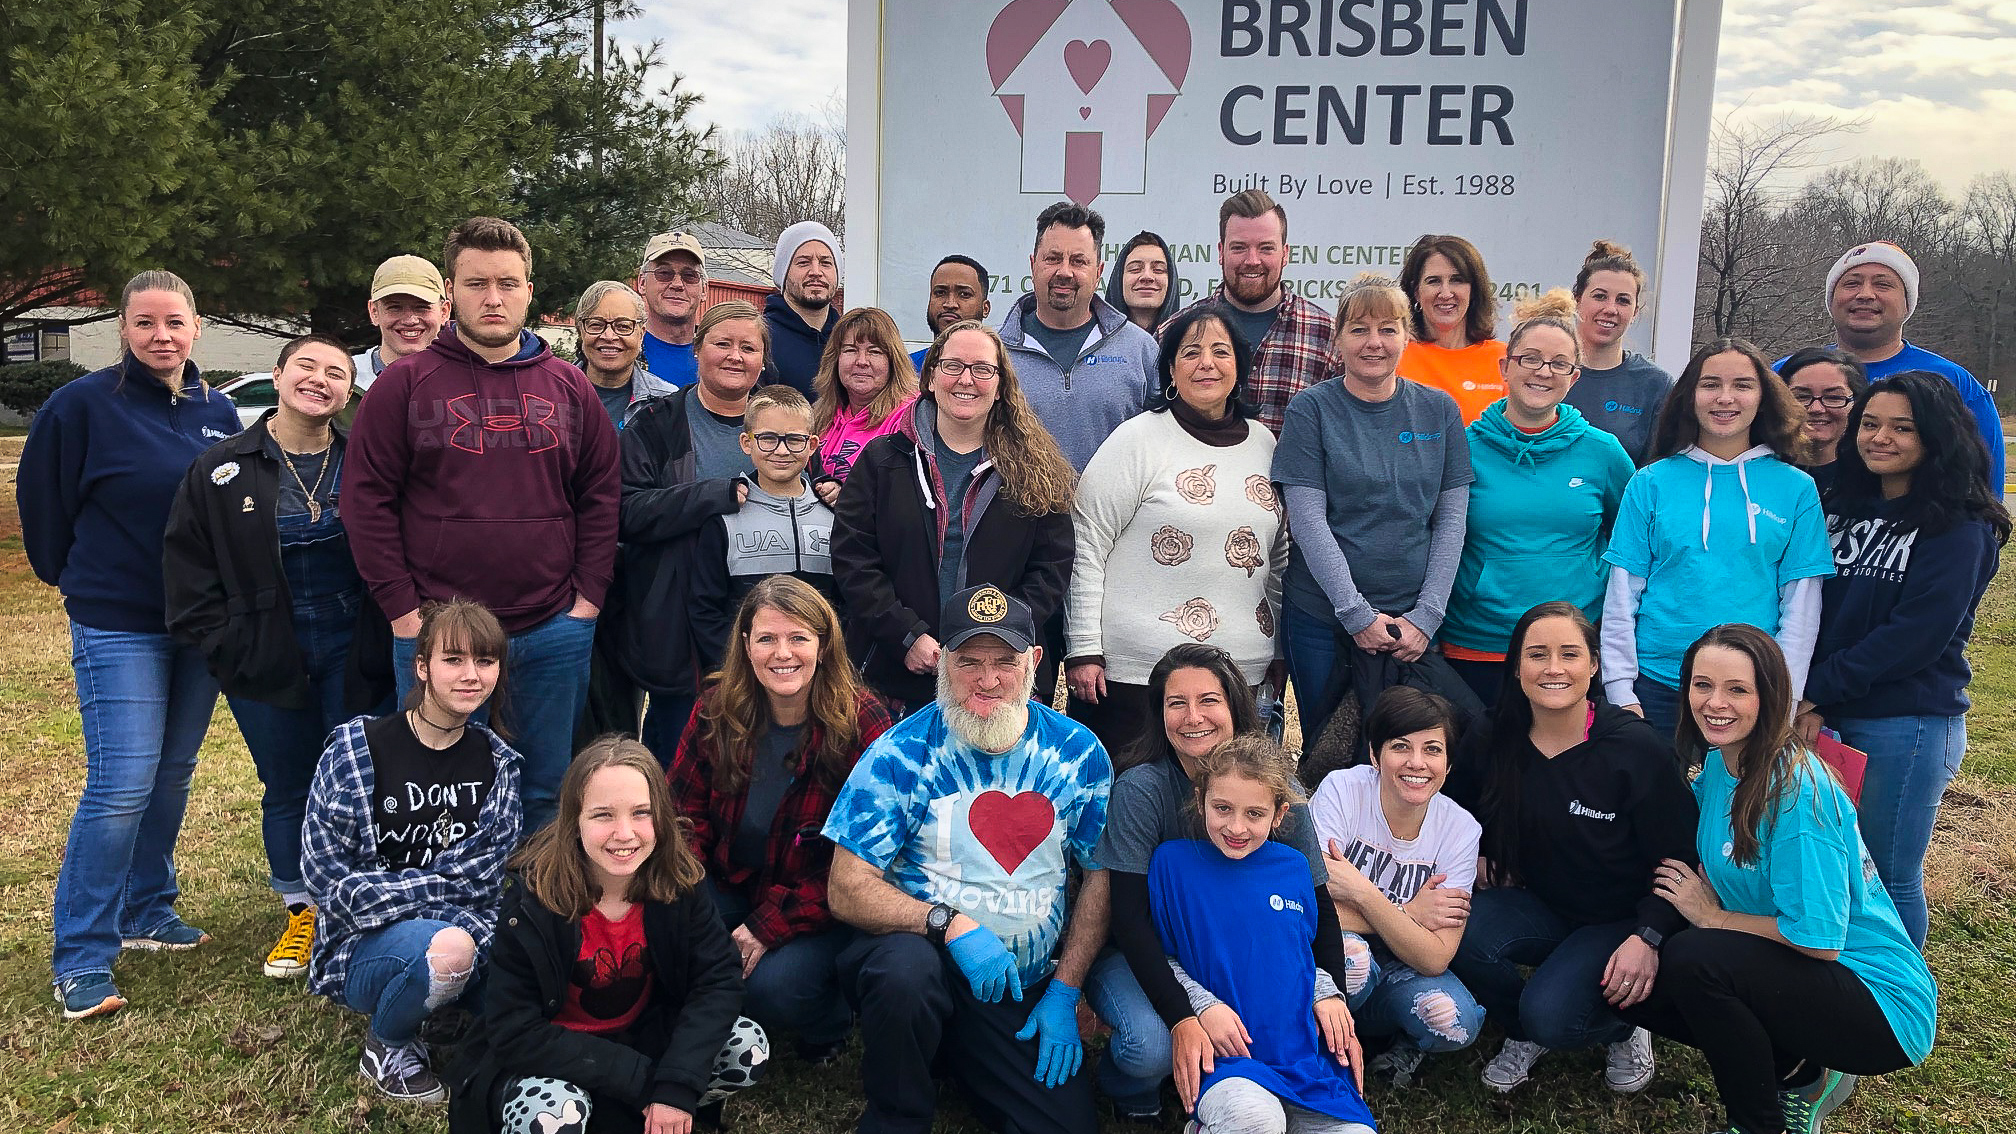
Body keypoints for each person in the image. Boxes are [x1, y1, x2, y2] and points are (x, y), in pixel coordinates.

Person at [343, 215, 620, 833]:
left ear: (529, 290)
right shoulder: (404, 386)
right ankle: (444, 922)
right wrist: (403, 614)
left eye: (507, 283)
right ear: (451, 292)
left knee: (546, 791)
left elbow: (601, 497)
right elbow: (366, 503)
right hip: (438, 634)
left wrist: (587, 602)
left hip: (552, 628)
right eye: (475, 284)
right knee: (432, 792)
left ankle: (532, 920)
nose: (492, 299)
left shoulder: (570, 388)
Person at [19, 270, 240, 1019]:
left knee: (172, 773)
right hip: (118, 619)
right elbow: (42, 504)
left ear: (197, 326)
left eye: (173, 322)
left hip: (197, 625)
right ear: (122, 327)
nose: (160, 336)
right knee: (121, 781)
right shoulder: (80, 407)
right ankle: (82, 954)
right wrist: (77, 579)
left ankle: (148, 908)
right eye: (144, 323)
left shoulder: (219, 411)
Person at [1619, 625, 1937, 1134]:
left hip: (1878, 1004)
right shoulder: (1723, 764)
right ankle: (1799, 1069)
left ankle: (1758, 1123)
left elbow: (1818, 942)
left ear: (1771, 697)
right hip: (1794, 968)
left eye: (1737, 689)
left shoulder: (1797, 796)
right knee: (1636, 979)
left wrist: (1713, 918)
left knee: (1695, 961)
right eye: (1702, 685)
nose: (1714, 703)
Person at [822, 586, 1113, 1134]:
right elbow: (847, 886)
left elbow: (1100, 876)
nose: (987, 680)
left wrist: (1066, 989)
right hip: (925, 963)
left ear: (1034, 661)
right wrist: (946, 923)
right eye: (968, 662)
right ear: (941, 663)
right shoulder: (900, 752)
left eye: (1005, 662)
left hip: (1017, 985)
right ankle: (898, 1114)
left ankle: (959, 1056)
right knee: (903, 975)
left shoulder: (1079, 754)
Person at [163, 334, 364, 981]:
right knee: (288, 785)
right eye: (306, 366)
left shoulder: (362, 460)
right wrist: (227, 649)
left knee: (356, 781)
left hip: (350, 643)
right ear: (277, 376)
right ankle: (302, 913)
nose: (320, 380)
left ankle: (356, 909)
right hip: (262, 650)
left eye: (335, 372)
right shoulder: (222, 467)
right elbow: (188, 571)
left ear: (346, 391)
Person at [449, 738, 771, 1134]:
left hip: (640, 1037)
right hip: (551, 1061)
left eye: (641, 813)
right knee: (552, 1116)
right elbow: (513, 1031)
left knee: (746, 1046)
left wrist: (675, 1084)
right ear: (573, 821)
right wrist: (639, 1078)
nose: (625, 833)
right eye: (603, 815)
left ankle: (666, 1119)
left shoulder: (680, 883)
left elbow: (718, 980)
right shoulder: (533, 903)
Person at [1443, 602, 1696, 1096]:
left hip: (1618, 918)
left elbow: (1680, 859)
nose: (1553, 668)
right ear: (1516, 667)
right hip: (1542, 904)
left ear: (1594, 665)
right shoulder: (1494, 734)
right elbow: (1460, 811)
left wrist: (1648, 936)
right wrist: (1477, 849)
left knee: (1553, 1016)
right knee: (1456, 928)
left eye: (1569, 654)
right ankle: (1522, 1027)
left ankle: (1626, 1020)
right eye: (1537, 655)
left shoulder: (1636, 750)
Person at [1092, 645, 1350, 1128]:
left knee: (1339, 980)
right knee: (1151, 1044)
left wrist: (1329, 993)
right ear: (1159, 713)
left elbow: (1319, 907)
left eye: (1209, 700)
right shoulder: (1143, 789)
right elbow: (1129, 919)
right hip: (1145, 954)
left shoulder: (1276, 791)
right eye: (1176, 703)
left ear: (1235, 706)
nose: (1193, 718)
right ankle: (1136, 1085)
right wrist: (1183, 1015)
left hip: (1238, 954)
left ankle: (1246, 1081)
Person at [1802, 371, 2009, 948]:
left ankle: (1894, 1011)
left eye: (1902, 427)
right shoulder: (1841, 502)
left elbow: (1915, 635)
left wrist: (1814, 690)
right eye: (1870, 423)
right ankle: (1835, 997)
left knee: (1886, 875)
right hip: (1830, 710)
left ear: (1937, 437)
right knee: (1835, 871)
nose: (1880, 437)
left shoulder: (1961, 526)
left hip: (1904, 723)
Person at [302, 598, 524, 1103]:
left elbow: (484, 880)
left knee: (535, 986)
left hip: (475, 932)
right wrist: (438, 902)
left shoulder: (498, 765)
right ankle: (387, 1047)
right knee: (449, 949)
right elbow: (330, 882)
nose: (471, 675)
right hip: (365, 945)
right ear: (422, 667)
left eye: (485, 662)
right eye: (454, 660)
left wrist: (385, 888)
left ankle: (446, 1012)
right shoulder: (358, 750)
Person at [670, 577, 892, 1065]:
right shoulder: (714, 708)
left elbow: (862, 862)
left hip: (817, 903)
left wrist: (766, 927)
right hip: (730, 881)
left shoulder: (863, 722)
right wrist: (696, 913)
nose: (782, 653)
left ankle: (829, 1019)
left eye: (798, 638)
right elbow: (683, 819)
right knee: (672, 931)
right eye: (767, 638)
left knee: (773, 990)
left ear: (824, 643)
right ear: (746, 645)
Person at [1064, 306, 1286, 751]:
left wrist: (1278, 650)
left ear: (1240, 367)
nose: (1207, 363)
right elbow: (1086, 542)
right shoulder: (1136, 440)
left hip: (1242, 676)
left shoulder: (1266, 443)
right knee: (1136, 808)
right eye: (1191, 353)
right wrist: (1083, 648)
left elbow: (1277, 559)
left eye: (1220, 351)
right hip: (1133, 677)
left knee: (1225, 812)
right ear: (1170, 368)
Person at [831, 320, 1076, 715]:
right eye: (953, 366)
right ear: (930, 377)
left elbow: (1051, 569)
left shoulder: (1036, 469)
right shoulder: (882, 461)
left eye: (982, 369)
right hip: (894, 674)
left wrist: (995, 641)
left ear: (1000, 387)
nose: (967, 379)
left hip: (997, 681)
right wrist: (906, 635)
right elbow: (853, 559)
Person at [1272, 273, 1473, 746]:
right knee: (1330, 750)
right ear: (1338, 338)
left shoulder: (1439, 411)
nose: (1374, 342)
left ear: (1407, 335)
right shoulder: (1311, 409)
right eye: (1359, 329)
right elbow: (1307, 521)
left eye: (1388, 328)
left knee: (1412, 750)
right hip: (1323, 618)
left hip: (1413, 623)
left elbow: (1450, 521)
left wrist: (1426, 617)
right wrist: (1356, 614)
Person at [1601, 338, 1835, 738]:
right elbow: (1623, 590)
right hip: (1656, 683)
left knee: (1734, 800)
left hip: (1749, 687)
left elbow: (1801, 602)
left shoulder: (1795, 488)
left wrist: (1787, 694)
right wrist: (1620, 687)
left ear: (1763, 397)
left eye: (1742, 385)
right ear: (1690, 395)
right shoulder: (1650, 482)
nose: (1725, 398)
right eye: (1710, 384)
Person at [1151, 735, 1377, 1134]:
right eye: (1222, 808)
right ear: (1201, 799)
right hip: (1229, 1058)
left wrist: (1326, 994)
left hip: (1301, 1058)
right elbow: (1162, 959)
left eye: (1254, 813)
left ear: (1278, 815)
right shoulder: (1173, 864)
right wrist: (1202, 1006)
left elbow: (1298, 952)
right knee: (1258, 1120)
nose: (1236, 827)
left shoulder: (1293, 866)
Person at [1440, 291, 1634, 708]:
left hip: (1569, 649)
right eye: (1529, 358)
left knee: (1564, 768)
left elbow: (1633, 545)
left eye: (1559, 363)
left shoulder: (1603, 452)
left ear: (1574, 376)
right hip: (1477, 643)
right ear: (1505, 367)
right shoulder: (1461, 446)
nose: (1543, 372)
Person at [613, 301, 767, 767]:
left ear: (763, 359)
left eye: (748, 347)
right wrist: (711, 496)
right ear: (698, 351)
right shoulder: (657, 423)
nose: (735, 356)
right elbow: (627, 511)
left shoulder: (782, 424)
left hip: (761, 621)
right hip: (677, 632)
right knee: (677, 760)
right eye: (722, 344)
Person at [1308, 687, 1485, 1085]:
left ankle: (1385, 1036)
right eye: (1401, 746)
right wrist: (1408, 913)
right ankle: (1318, 1047)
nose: (1417, 763)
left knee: (1455, 1021)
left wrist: (1362, 893)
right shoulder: (1343, 790)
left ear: (1449, 764)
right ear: (1374, 754)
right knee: (1352, 959)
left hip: (1403, 968)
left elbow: (1436, 956)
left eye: (1433, 750)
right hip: (1334, 954)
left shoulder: (1460, 830)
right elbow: (1309, 908)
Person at [1809, 240, 2003, 493]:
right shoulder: (1789, 376)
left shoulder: (1954, 382)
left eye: (1883, 284)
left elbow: (1985, 491)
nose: (1865, 294)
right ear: (1832, 299)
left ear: (1907, 302)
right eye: (1851, 283)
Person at [689, 387, 840, 677]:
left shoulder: (835, 516)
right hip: (742, 678)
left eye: (794, 440)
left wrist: (827, 662)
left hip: (821, 675)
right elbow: (705, 610)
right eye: (768, 438)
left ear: (812, 445)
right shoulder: (723, 518)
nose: (781, 450)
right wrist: (737, 667)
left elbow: (847, 605)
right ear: (746, 442)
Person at [998, 201, 1158, 473]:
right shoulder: (995, 354)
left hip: (1116, 516)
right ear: (1033, 265)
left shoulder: (1140, 350)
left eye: (1078, 261)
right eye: (1053, 258)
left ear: (1098, 272)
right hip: (1020, 513)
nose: (1064, 272)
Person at [1165, 189, 1335, 434]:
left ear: (1285, 254)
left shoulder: (1326, 335)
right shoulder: (1175, 332)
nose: (1252, 260)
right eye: (1239, 248)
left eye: (1266, 248)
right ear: (1221, 252)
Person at [1562, 240, 1673, 465]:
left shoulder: (1655, 385)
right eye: (1600, 296)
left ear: (1635, 312)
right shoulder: (1545, 370)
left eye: (1623, 300)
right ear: (1577, 301)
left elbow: (1657, 473)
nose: (1610, 309)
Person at [1397, 234, 1506, 425]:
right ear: (1416, 292)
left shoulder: (1504, 358)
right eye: (1434, 281)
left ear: (1473, 290)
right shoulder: (1395, 354)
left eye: (1457, 280)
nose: (1446, 293)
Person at [812, 306, 919, 485]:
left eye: (874, 351)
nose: (862, 361)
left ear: (893, 361)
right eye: (850, 350)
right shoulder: (820, 414)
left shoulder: (909, 418)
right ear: (835, 359)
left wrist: (846, 497)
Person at [575, 281, 681, 430]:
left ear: (641, 334)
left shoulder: (667, 402)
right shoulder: (551, 391)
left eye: (623, 326)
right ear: (581, 331)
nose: (609, 336)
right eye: (596, 324)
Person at [764, 221, 842, 397]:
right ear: (783, 273)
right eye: (803, 262)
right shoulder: (759, 339)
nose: (816, 271)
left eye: (826, 262)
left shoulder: (848, 339)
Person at [1776, 347, 1868, 496]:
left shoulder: (1875, 480)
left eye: (1834, 398)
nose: (1816, 408)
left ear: (1857, 404)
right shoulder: (1758, 473)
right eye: (1801, 397)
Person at [355, 254, 450, 383]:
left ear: (444, 312)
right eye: (395, 307)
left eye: (422, 307)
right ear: (374, 312)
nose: (410, 320)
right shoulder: (344, 378)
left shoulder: (465, 379)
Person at [635, 230, 708, 389]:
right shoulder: (623, 353)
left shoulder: (721, 359)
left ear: (704, 290)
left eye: (689, 275)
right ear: (642, 283)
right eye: (664, 273)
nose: (677, 284)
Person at [915, 255, 992, 368]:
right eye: (940, 293)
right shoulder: (905, 370)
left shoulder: (1004, 371)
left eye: (964, 294)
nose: (950, 304)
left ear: (985, 308)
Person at [1103, 230, 1180, 334]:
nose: (1147, 276)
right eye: (1135, 269)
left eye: (1158, 270)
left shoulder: (1187, 342)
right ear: (1119, 280)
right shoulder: (1093, 339)